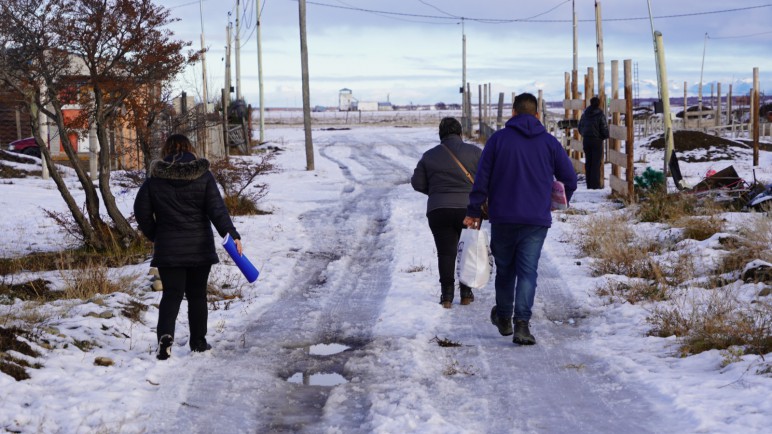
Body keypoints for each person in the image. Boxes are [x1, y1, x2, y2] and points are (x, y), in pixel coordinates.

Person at [463, 93, 577, 345]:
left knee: (505, 270)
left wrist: (473, 211)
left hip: (503, 217)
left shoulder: (498, 140)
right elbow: (570, 179)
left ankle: (504, 317)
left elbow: (481, 179)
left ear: (513, 112)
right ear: (537, 115)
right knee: (527, 271)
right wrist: (558, 201)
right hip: (536, 219)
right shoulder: (549, 143)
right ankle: (522, 325)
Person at [134, 134, 243, 360]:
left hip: (169, 248)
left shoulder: (155, 178)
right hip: (199, 247)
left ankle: (165, 337)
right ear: (189, 148)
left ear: (166, 151)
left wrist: (157, 235)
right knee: (197, 295)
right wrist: (232, 235)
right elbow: (217, 210)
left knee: (171, 295)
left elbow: (141, 211)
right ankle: (198, 342)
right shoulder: (203, 176)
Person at [412, 117, 482, 308]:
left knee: (445, 253)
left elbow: (417, 183)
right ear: (460, 133)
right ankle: (466, 294)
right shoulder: (475, 152)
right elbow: (488, 179)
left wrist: (436, 192)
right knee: (467, 250)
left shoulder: (429, 156)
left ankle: (447, 297)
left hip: (438, 210)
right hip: (469, 209)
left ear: (440, 134)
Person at [577, 96, 609, 189]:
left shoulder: (585, 114)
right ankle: (595, 185)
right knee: (596, 163)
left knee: (588, 162)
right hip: (596, 141)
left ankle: (589, 184)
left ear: (590, 103)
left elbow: (580, 127)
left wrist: (584, 135)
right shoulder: (600, 114)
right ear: (598, 104)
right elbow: (604, 129)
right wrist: (603, 137)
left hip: (586, 140)